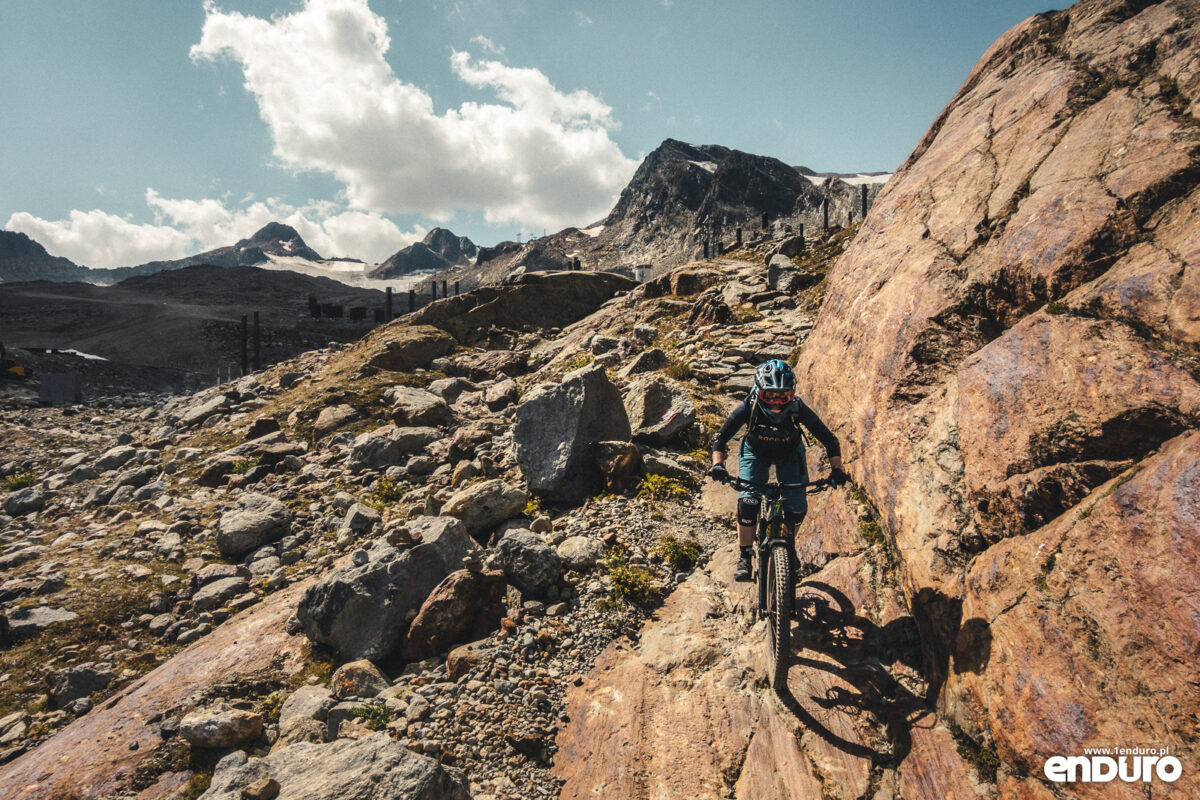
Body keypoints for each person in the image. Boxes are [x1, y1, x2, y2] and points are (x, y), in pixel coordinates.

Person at [708, 359, 846, 581]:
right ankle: (745, 556)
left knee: (797, 508)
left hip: (790, 454)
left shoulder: (798, 408)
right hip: (755, 452)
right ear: (758, 391)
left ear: (792, 393)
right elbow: (720, 438)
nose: (776, 401)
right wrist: (717, 464)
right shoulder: (749, 406)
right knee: (748, 503)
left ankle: (788, 546)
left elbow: (829, 440)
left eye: (784, 396)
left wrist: (837, 469)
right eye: (769, 395)